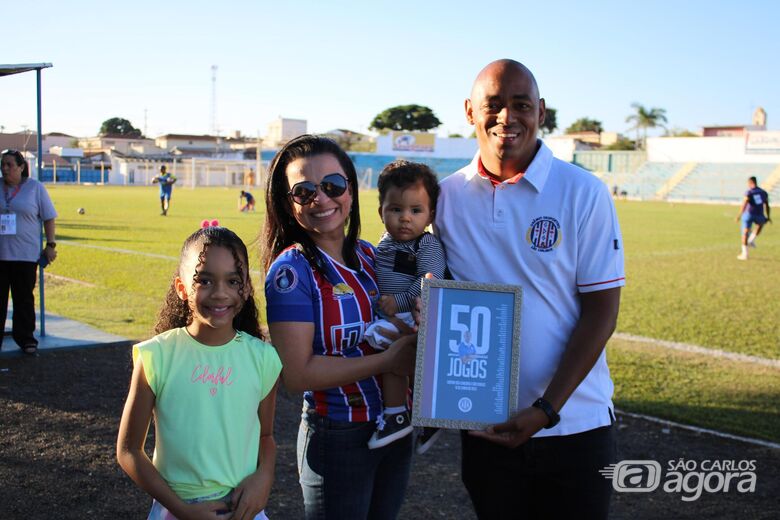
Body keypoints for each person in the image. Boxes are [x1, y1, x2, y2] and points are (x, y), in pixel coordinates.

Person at [433, 59, 625, 519]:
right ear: (469, 111)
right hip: (485, 428)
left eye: (520, 105)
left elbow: (602, 312)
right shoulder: (445, 198)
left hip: (575, 426)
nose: (506, 117)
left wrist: (546, 408)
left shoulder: (583, 192)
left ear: (541, 110)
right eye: (493, 105)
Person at [262, 135, 416, 520]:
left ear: (351, 189)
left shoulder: (371, 254)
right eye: (304, 191)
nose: (322, 199)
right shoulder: (291, 272)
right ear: (287, 202)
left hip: (396, 426)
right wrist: (387, 361)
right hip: (338, 435)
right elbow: (297, 375)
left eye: (333, 185)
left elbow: (402, 321)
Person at [117, 226, 281, 520]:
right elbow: (128, 451)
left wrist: (263, 478)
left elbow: (266, 436)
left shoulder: (263, 358)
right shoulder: (157, 355)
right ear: (181, 287)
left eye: (233, 281)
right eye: (204, 280)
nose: (220, 293)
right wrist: (183, 510)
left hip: (242, 509)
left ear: (245, 288)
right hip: (176, 510)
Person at [363, 159, 447, 451]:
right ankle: (428, 415)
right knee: (392, 355)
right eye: (396, 210)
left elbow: (430, 280)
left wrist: (397, 301)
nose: (405, 218)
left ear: (430, 214)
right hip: (391, 312)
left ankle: (397, 414)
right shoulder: (385, 242)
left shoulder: (426, 244)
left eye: (415, 210)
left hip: (414, 314)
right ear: (381, 212)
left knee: (389, 350)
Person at [0, 149, 57, 356]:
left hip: (25, 255)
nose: (5, 168)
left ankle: (25, 339)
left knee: (23, 298)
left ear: (21, 167)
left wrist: (50, 245)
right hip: (1, 255)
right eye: (2, 164)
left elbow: (49, 217)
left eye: (9, 165)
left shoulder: (35, 188)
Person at [736, 176, 771, 260]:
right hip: (760, 214)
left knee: (745, 233)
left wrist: (739, 215)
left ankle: (745, 254)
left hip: (749, 213)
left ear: (750, 182)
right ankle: (751, 240)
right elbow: (767, 205)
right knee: (759, 225)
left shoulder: (749, 192)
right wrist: (768, 216)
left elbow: (744, 204)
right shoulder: (763, 192)